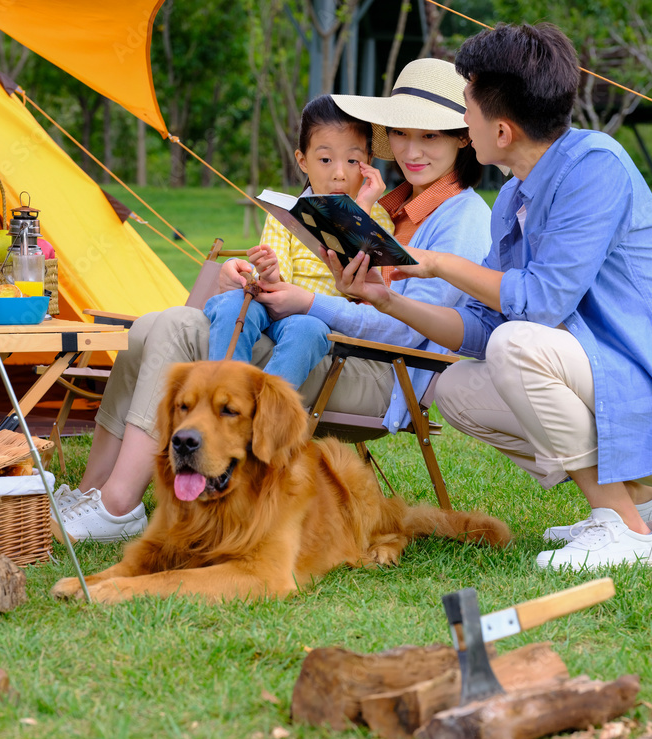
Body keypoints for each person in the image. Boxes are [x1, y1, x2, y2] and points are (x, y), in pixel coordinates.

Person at [320, 24, 652, 571]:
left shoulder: (596, 165)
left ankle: (625, 533)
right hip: (624, 400)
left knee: (518, 344)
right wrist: (387, 300)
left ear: (500, 130)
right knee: (455, 385)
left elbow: (542, 302)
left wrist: (436, 263)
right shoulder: (513, 199)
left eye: (467, 108)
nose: (463, 120)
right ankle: (645, 504)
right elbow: (480, 327)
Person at [51, 58, 493, 544]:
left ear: (462, 137)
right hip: (340, 350)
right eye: (404, 134)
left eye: (430, 136)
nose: (412, 149)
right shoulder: (397, 204)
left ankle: (118, 507)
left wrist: (308, 304)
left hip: (379, 372)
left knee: (178, 328)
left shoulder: (461, 217)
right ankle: (95, 491)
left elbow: (412, 330)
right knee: (147, 329)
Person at [204, 96, 393, 388]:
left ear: (369, 163)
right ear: (303, 161)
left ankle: (268, 415)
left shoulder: (378, 216)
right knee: (231, 304)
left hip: (317, 316)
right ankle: (225, 397)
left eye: (353, 160)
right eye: (325, 159)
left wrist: (362, 212)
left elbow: (367, 286)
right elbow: (276, 280)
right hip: (273, 302)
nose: (339, 173)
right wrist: (268, 272)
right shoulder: (287, 212)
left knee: (307, 329)